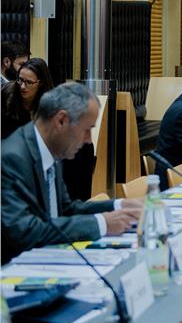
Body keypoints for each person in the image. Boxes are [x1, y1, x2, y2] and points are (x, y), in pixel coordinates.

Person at [0, 83, 143, 263]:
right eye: (87, 129)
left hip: (49, 258)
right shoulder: (11, 159)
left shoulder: (51, 149)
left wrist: (119, 206)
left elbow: (66, 210)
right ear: (61, 121)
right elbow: (24, 231)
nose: (88, 140)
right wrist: (102, 223)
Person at [1, 57, 54, 139]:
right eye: (20, 80)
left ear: (41, 83)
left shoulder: (49, 105)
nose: (22, 86)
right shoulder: (6, 93)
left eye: (29, 82)